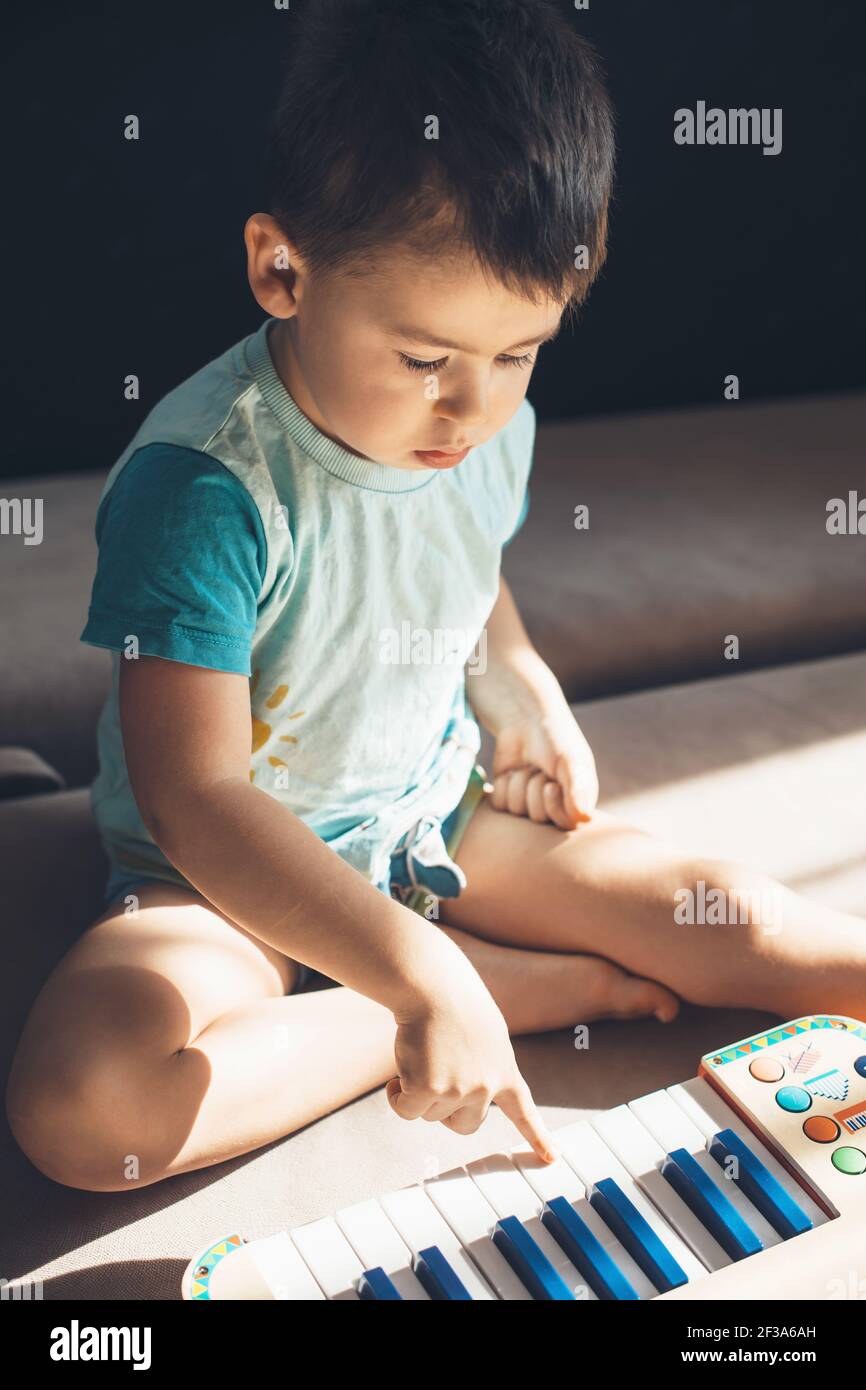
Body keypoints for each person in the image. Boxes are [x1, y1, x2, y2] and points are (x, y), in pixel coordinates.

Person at [7, 0, 864, 1194]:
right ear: (280, 267)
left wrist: (516, 681)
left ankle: (454, 971)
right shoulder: (204, 485)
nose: (471, 409)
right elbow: (194, 797)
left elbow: (462, 578)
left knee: (722, 917)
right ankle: (472, 989)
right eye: (425, 361)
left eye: (517, 353)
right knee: (87, 1108)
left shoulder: (474, 426)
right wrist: (422, 973)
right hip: (224, 886)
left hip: (429, 824)